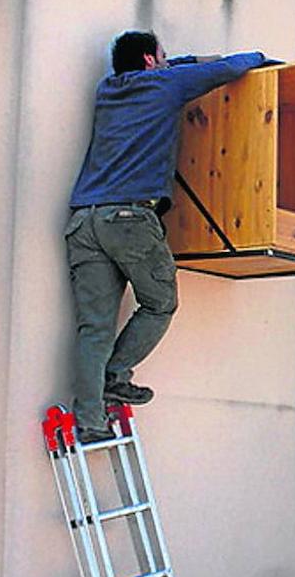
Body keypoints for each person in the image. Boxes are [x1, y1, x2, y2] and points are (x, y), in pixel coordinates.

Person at [64, 30, 267, 442]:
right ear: (150, 61)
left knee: (95, 328)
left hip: (83, 221)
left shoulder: (108, 89)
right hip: (129, 218)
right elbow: (227, 69)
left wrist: (177, 61)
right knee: (160, 303)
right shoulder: (164, 84)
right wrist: (261, 55)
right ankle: (114, 376)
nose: (168, 60)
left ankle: (89, 423)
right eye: (163, 55)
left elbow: (179, 65)